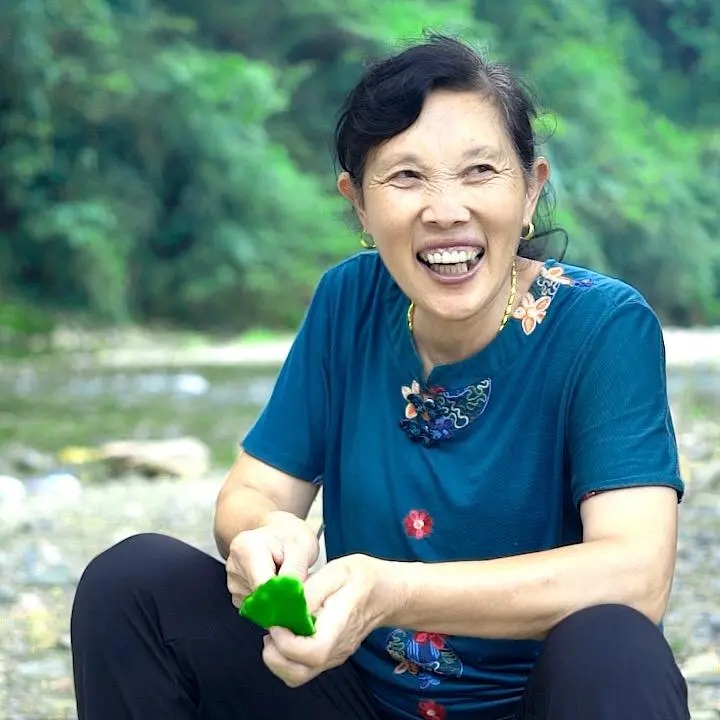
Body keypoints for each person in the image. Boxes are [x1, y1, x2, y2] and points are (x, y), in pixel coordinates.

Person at [69, 34, 691, 720]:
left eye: (479, 170)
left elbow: (635, 575)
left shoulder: (602, 327)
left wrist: (391, 592)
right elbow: (254, 491)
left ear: (530, 189)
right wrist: (265, 535)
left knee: (613, 645)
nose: (445, 210)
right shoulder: (350, 301)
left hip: (535, 706)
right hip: (353, 698)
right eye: (406, 177)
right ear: (359, 204)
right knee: (132, 584)